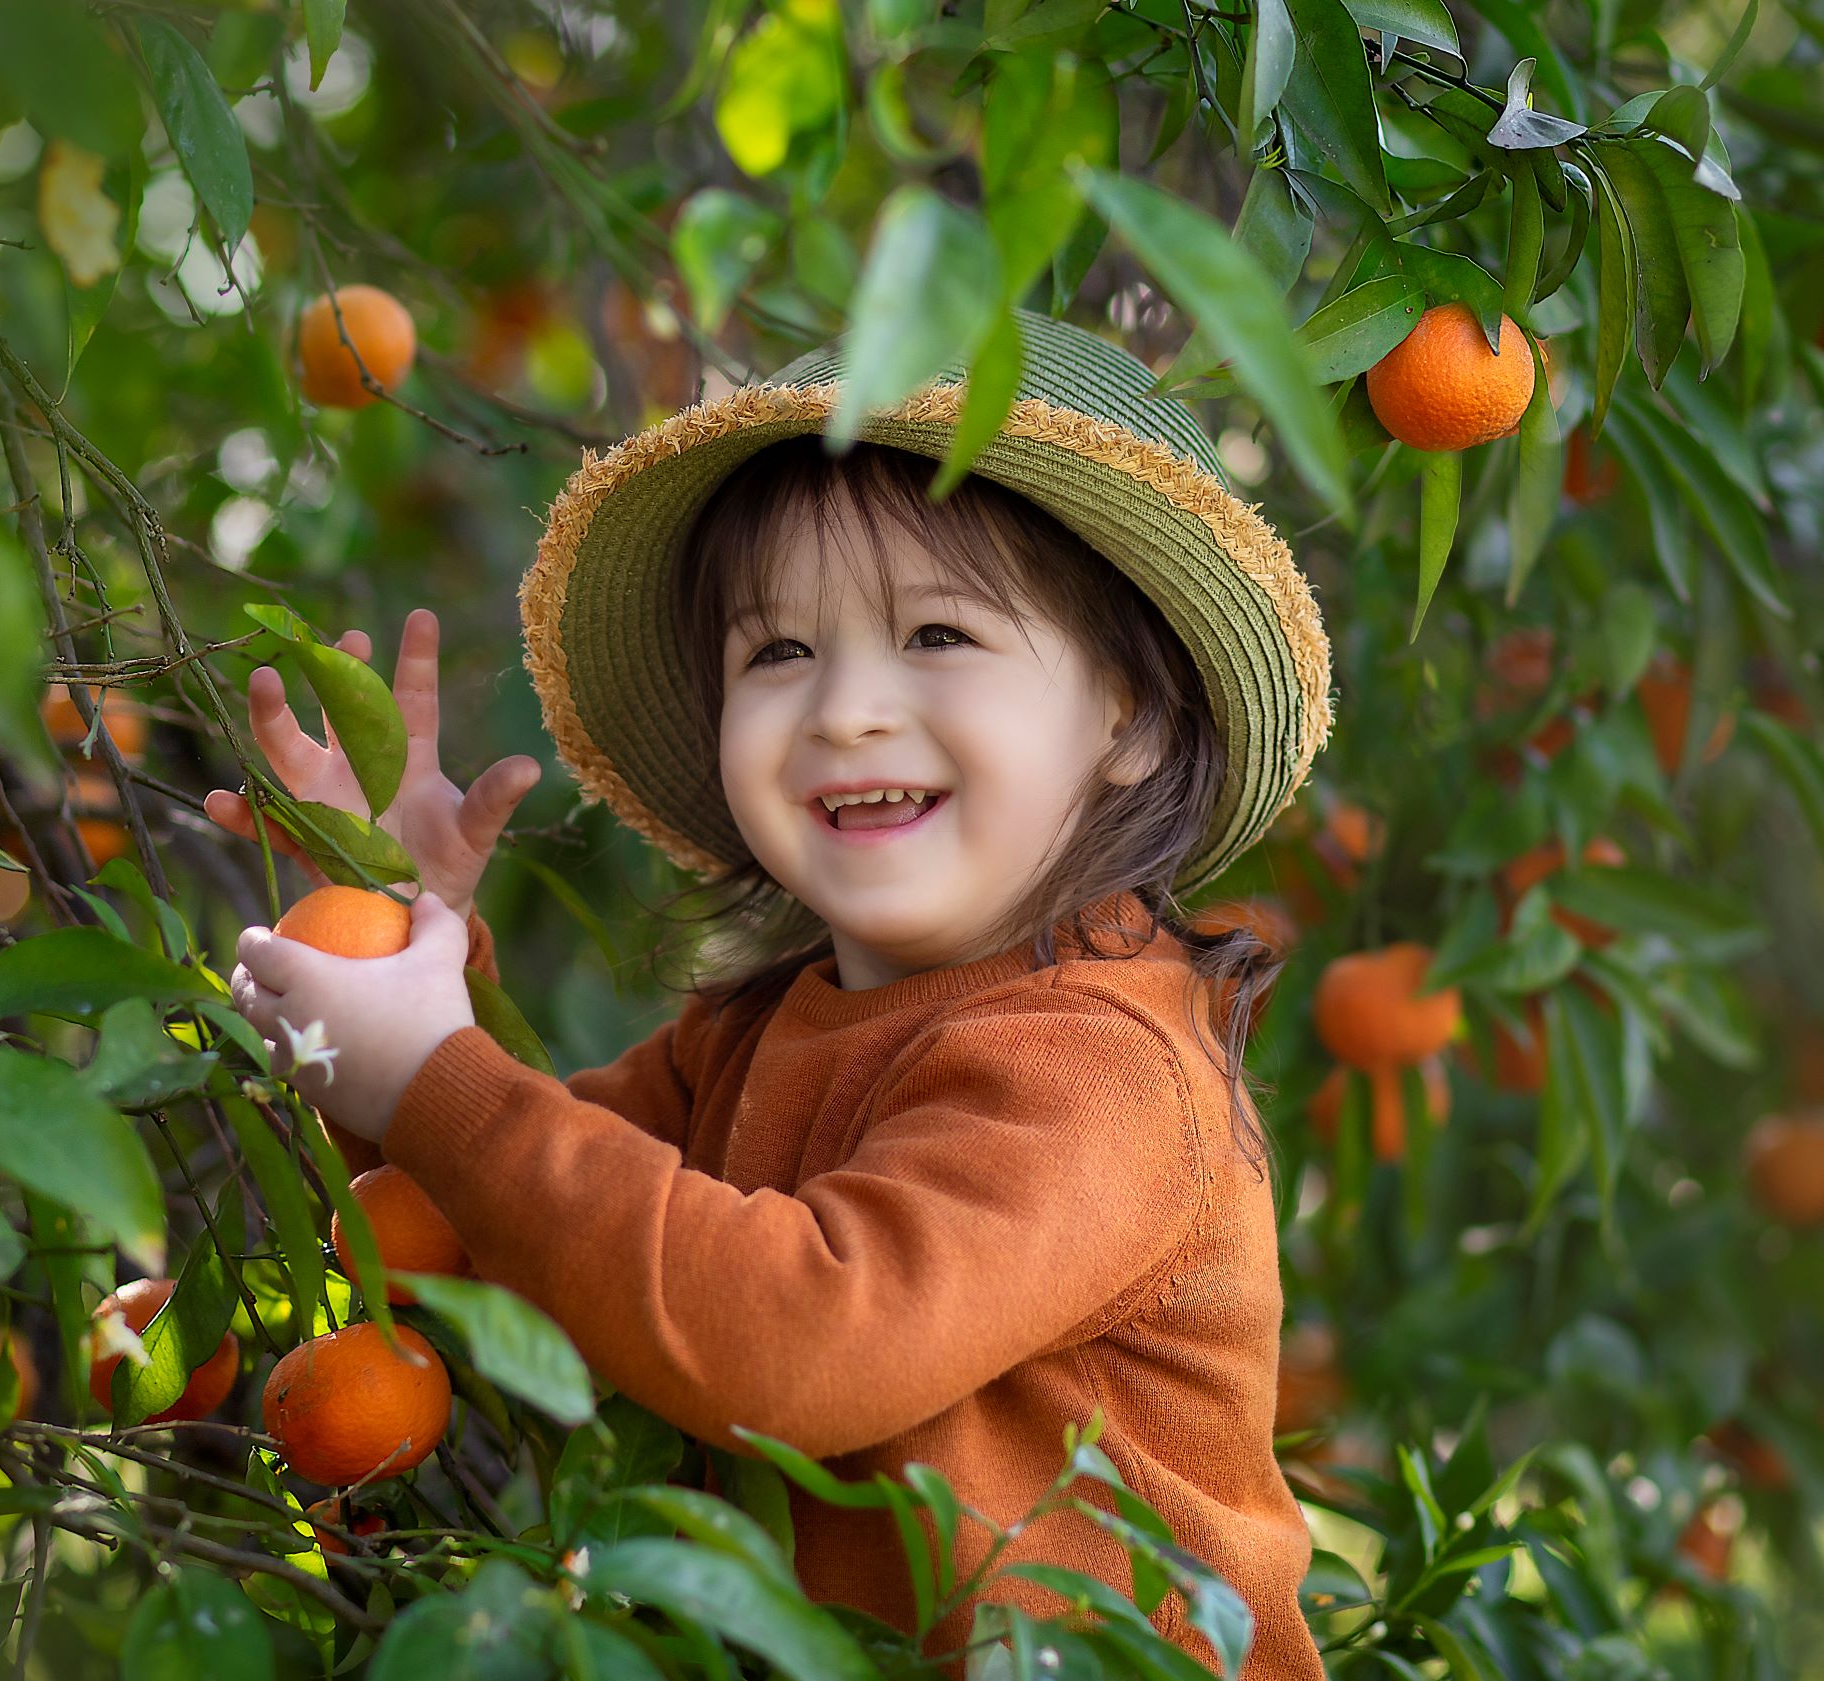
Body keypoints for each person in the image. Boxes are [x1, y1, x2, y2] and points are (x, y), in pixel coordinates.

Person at [205, 305, 1334, 1678]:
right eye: (777, 653)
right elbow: (514, 1226)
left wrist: (434, 1072)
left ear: (1132, 718)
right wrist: (394, 939)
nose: (845, 710)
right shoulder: (748, 1038)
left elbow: (797, 1343)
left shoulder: (1105, 1067)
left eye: (937, 632)